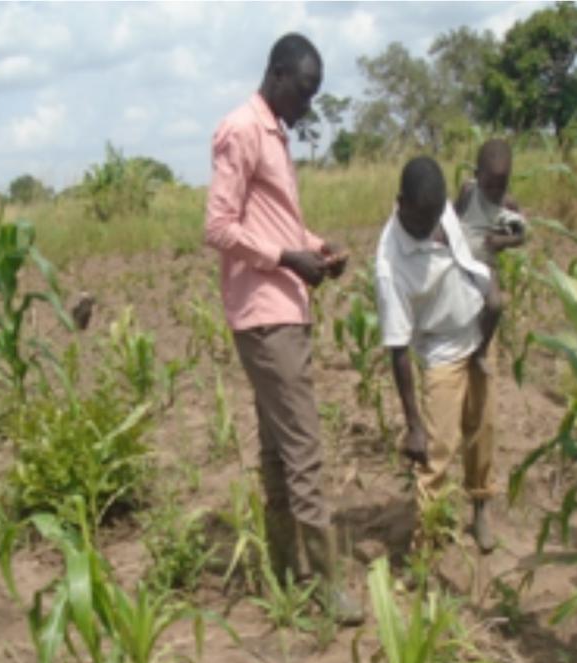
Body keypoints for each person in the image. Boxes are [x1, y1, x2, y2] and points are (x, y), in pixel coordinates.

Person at [204, 32, 362, 624]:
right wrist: (286, 259)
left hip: (281, 310)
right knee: (303, 449)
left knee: (278, 447)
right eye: (303, 91)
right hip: (267, 316)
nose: (307, 105)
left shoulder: (272, 132)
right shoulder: (242, 130)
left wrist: (314, 248)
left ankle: (286, 567)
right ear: (275, 75)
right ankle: (325, 583)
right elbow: (219, 227)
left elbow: (273, 223)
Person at [376, 156, 503, 553]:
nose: (430, 227)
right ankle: (427, 541)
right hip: (442, 348)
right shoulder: (390, 264)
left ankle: (480, 509)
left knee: (482, 429)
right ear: (401, 203)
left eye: (435, 217)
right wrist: (412, 424)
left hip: (479, 329)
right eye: (421, 221)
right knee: (436, 450)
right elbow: (398, 348)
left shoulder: (436, 205)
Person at [455, 138, 527, 268]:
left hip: (484, 265)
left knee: (491, 279)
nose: (495, 191)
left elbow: (521, 236)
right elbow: (453, 219)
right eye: (489, 186)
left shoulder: (508, 204)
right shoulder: (468, 191)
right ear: (477, 175)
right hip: (458, 258)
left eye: (501, 186)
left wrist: (503, 241)